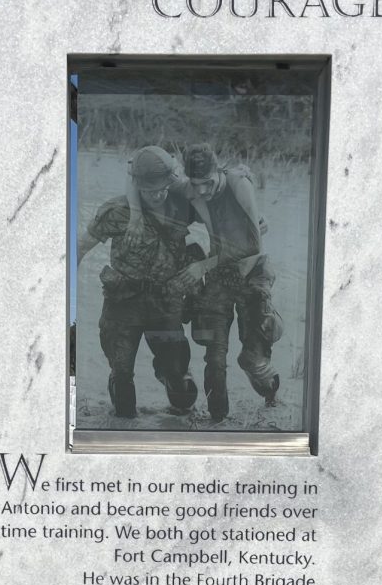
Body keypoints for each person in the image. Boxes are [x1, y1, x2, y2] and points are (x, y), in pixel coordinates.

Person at [77, 146, 203, 419]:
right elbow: (80, 247)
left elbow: (227, 222)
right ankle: (120, 395)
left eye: (162, 189)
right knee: (123, 391)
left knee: (183, 390)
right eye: (149, 190)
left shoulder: (182, 207)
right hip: (123, 304)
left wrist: (254, 221)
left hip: (165, 304)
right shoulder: (117, 211)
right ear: (137, 185)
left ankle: (173, 382)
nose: (157, 195)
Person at [170, 143, 282, 423]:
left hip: (252, 271)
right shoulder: (193, 190)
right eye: (197, 185)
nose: (203, 191)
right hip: (221, 275)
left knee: (252, 360)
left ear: (217, 171)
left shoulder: (238, 183)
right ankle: (217, 419)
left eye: (208, 183)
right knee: (214, 355)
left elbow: (252, 246)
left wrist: (203, 265)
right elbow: (141, 172)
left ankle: (271, 394)